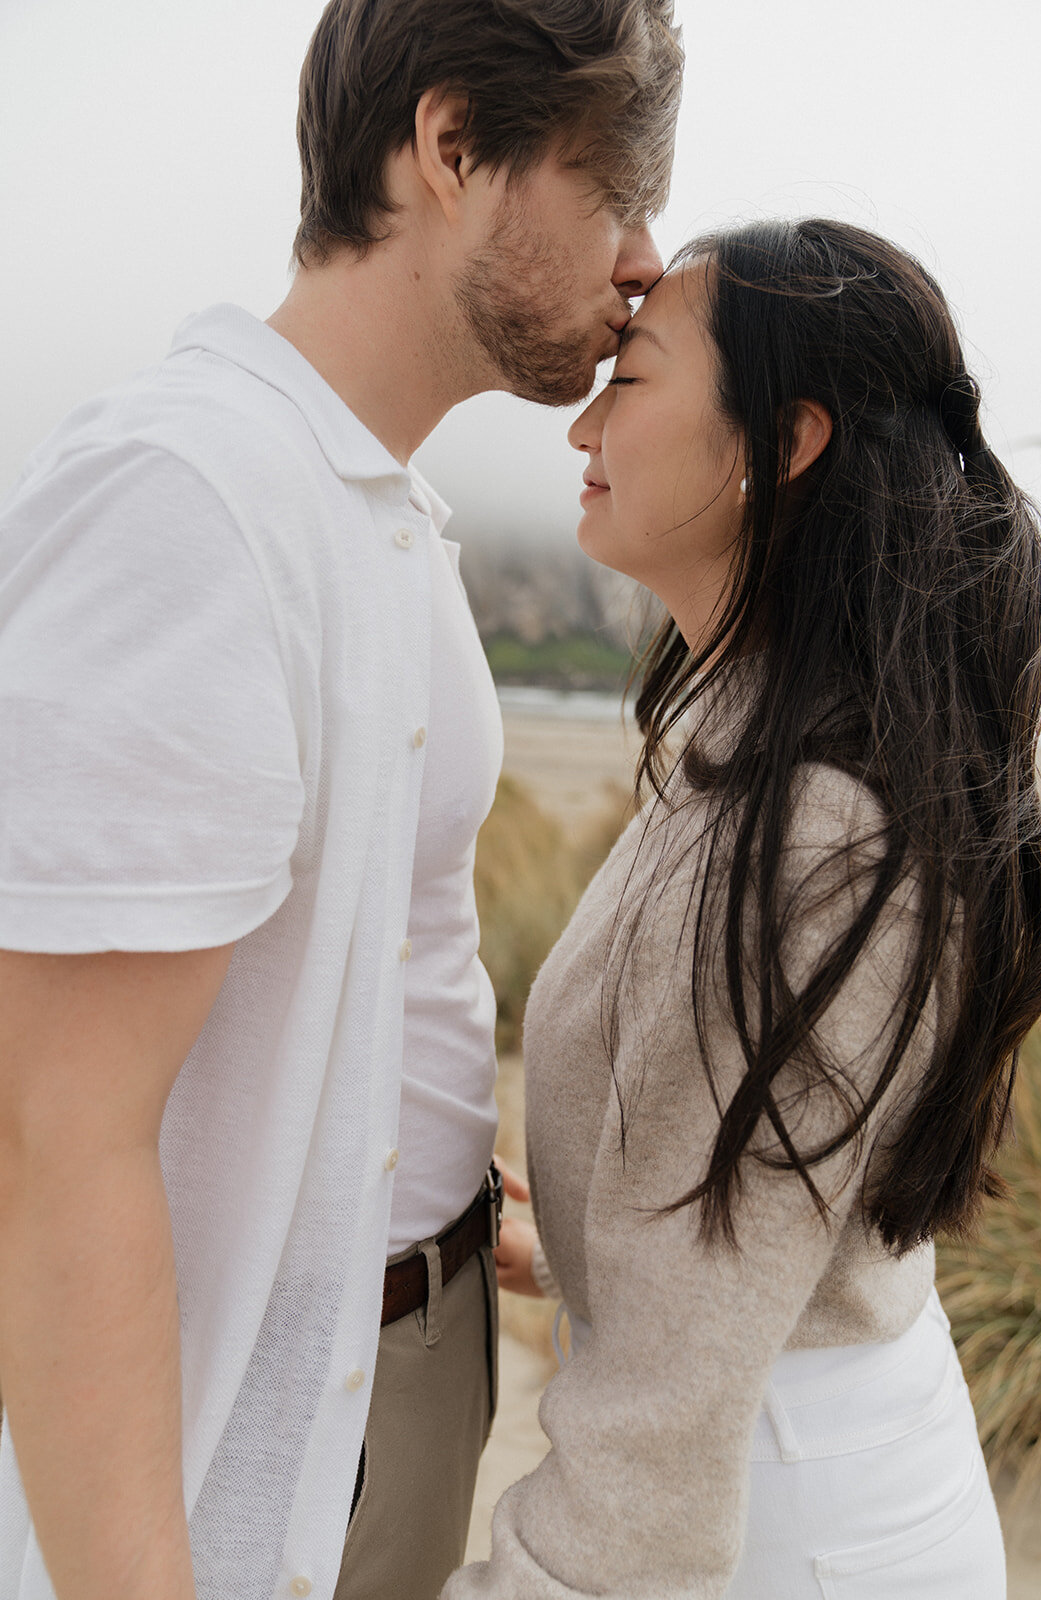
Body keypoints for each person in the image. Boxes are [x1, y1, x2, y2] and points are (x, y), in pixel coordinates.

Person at [0, 4, 683, 1599]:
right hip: (259, 1426)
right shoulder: (193, 495)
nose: (646, 259)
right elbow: (54, 1137)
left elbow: (356, 957)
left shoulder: (374, 499)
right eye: (615, 191)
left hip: (406, 1356)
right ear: (451, 147)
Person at [450, 218, 1041, 1598]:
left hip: (782, 1521)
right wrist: (597, 1252)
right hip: (817, 1459)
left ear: (783, 443)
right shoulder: (781, 758)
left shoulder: (816, 836)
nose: (582, 429)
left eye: (631, 380)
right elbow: (782, 1217)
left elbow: (657, 1466)